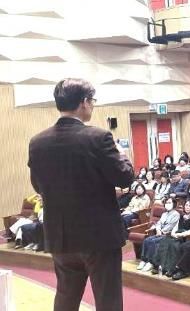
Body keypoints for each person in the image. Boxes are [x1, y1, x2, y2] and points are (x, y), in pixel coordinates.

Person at [27, 79, 135, 311]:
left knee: (66, 297)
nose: (92, 105)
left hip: (61, 235)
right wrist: (122, 154)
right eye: (92, 100)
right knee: (108, 300)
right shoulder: (99, 137)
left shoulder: (37, 142)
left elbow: (38, 186)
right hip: (99, 237)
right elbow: (125, 178)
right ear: (84, 102)